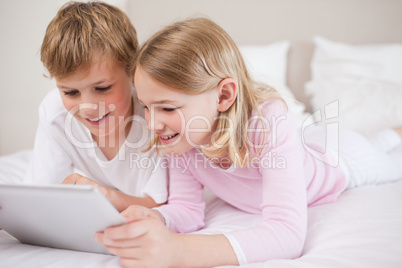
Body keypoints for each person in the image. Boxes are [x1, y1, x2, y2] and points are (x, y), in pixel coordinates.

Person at [94, 17, 402, 266]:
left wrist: (177, 251)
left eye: (167, 108)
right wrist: (154, 217)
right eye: (146, 107)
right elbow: (186, 211)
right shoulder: (182, 139)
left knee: (388, 156)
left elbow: (287, 234)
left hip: (343, 160)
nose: (151, 123)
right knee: (371, 141)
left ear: (224, 96)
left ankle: (393, 133)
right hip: (308, 146)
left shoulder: (268, 121)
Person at [24, 1, 168, 212]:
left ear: (132, 72)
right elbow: (39, 194)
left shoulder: (155, 117)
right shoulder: (56, 112)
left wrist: (104, 195)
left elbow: (161, 205)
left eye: (102, 88)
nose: (87, 108)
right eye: (71, 92)